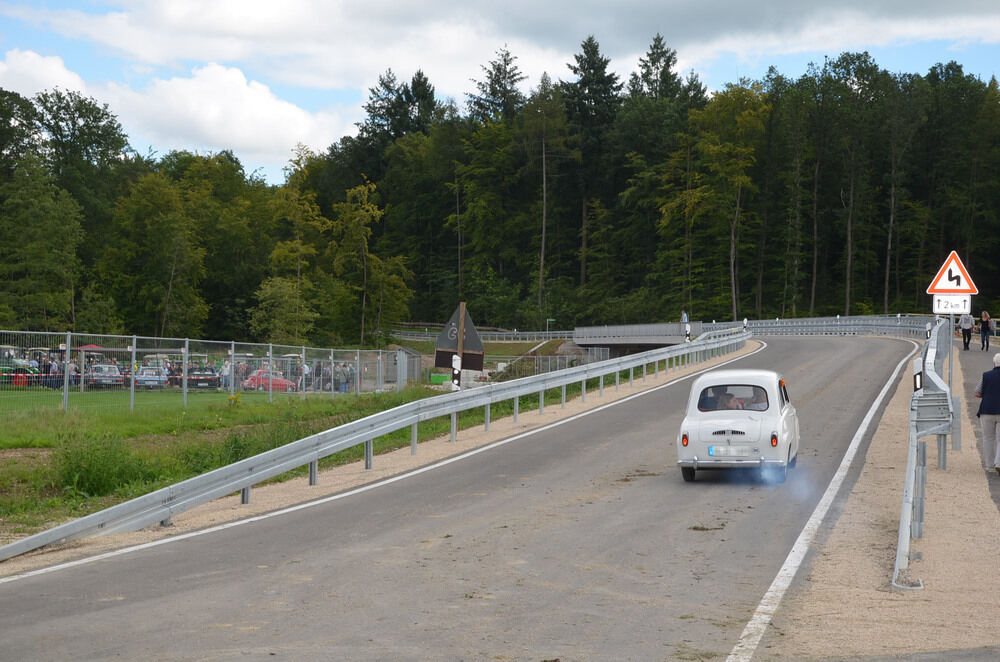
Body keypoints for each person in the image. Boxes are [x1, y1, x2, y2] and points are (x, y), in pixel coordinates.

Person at [974, 353, 1000, 474]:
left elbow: (977, 393)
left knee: (988, 438)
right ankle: (998, 462)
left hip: (987, 410)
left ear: (994, 363)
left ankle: (990, 465)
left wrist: (988, 394)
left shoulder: (986, 375)